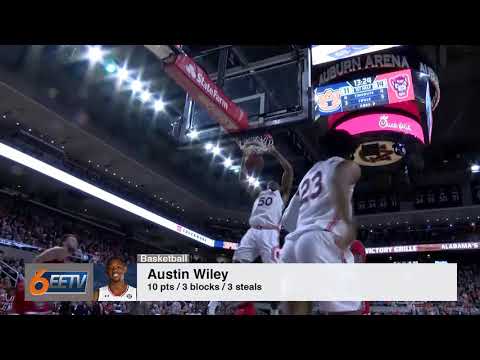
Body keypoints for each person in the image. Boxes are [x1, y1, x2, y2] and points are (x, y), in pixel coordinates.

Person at [280, 130, 361, 315]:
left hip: (291, 246)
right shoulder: (347, 165)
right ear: (350, 152)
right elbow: (340, 180)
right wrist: (348, 224)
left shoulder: (311, 173)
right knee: (347, 309)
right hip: (321, 239)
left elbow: (287, 220)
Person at [233, 145, 293, 264]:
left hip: (269, 232)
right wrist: (244, 156)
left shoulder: (282, 195)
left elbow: (289, 171)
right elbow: (242, 178)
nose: (272, 181)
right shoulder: (259, 193)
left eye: (276, 180)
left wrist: (275, 152)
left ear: (280, 186)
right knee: (237, 262)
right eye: (270, 180)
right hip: (253, 230)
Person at [12, 234, 79, 315]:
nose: (74, 242)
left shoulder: (66, 259)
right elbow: (37, 260)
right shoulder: (58, 251)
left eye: (75, 241)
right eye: (72, 240)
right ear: (64, 242)